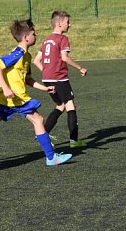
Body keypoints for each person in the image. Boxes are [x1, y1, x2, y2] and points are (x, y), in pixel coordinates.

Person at [0, 19, 73, 167]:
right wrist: (6, 88)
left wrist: (44, 88)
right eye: (33, 34)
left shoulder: (26, 56)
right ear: (26, 37)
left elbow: (27, 79)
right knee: (38, 120)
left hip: (9, 98)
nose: (36, 36)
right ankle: (51, 157)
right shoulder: (18, 53)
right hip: (14, 97)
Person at [32, 11, 88, 147]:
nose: (70, 24)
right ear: (59, 23)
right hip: (59, 79)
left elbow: (36, 61)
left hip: (47, 79)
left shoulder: (46, 40)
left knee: (60, 106)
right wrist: (80, 68)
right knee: (70, 106)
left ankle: (42, 134)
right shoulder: (63, 39)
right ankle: (74, 141)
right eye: (67, 22)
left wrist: (47, 72)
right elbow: (64, 58)